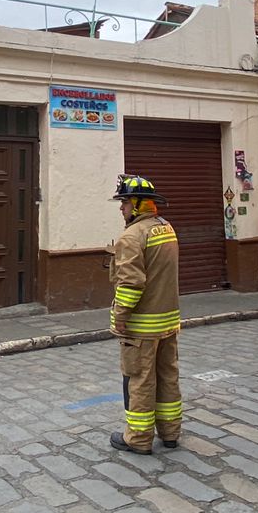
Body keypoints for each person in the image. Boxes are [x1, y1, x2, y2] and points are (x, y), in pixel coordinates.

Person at [107, 174, 183, 455]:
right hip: (168, 321)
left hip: (141, 327)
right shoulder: (166, 228)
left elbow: (131, 283)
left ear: (138, 205)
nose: (121, 208)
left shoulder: (131, 236)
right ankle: (171, 432)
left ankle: (137, 439)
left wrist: (120, 316)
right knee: (168, 376)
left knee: (139, 379)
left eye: (124, 202)